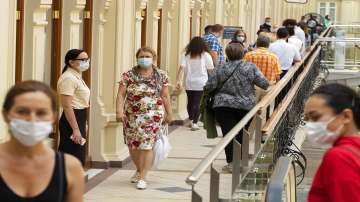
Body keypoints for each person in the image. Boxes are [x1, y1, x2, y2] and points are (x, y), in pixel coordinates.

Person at [0, 80, 84, 201]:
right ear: (6, 115)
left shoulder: (69, 168)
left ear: (53, 117)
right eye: (22, 111)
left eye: (41, 113)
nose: (32, 120)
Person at [204, 44, 269, 172]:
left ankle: (232, 163)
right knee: (242, 133)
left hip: (223, 105)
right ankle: (240, 161)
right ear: (243, 53)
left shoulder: (221, 67)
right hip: (245, 105)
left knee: (229, 134)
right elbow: (264, 83)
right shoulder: (250, 67)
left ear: (227, 54)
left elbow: (209, 86)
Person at [116, 47, 172, 190]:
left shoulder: (161, 75)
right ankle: (139, 169)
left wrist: (169, 113)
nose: (144, 58)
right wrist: (119, 111)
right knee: (133, 145)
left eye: (147, 56)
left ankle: (143, 177)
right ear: (137, 58)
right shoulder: (129, 75)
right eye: (142, 56)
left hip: (153, 116)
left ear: (154, 57)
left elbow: (165, 95)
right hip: (132, 116)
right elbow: (121, 94)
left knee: (147, 145)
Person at [303, 83, 360, 201]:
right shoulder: (355, 151)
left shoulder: (338, 157)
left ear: (346, 116)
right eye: (307, 120)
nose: (309, 125)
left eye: (315, 117)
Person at [57, 49, 90, 166]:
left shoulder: (76, 76)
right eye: (82, 60)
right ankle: (65, 183)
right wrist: (75, 129)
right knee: (72, 156)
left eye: (87, 59)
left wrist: (83, 123)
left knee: (78, 155)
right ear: (71, 62)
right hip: (71, 118)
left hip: (79, 116)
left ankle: (72, 182)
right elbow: (67, 106)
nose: (86, 62)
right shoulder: (68, 78)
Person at [176, 37, 214, 130]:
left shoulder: (186, 55)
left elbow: (181, 69)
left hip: (189, 82)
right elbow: (211, 71)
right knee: (197, 103)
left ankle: (191, 119)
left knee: (190, 102)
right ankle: (195, 122)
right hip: (201, 83)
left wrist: (178, 80)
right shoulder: (206, 55)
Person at [244, 35, 281, 101]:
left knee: (252, 109)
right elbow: (277, 75)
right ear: (268, 45)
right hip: (268, 86)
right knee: (267, 108)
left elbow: (243, 70)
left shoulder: (248, 55)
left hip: (252, 86)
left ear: (257, 44)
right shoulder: (274, 57)